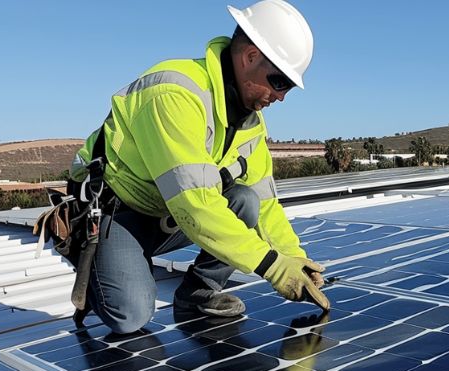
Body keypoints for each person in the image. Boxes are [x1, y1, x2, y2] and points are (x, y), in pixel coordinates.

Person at [68, 0, 329, 336]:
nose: (281, 97)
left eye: (288, 87)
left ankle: (196, 293)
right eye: (279, 82)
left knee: (245, 201)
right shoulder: (175, 94)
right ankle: (96, 263)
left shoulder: (251, 123)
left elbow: (264, 205)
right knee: (130, 316)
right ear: (249, 57)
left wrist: (294, 258)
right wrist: (274, 268)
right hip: (118, 211)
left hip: (167, 213)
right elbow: (196, 204)